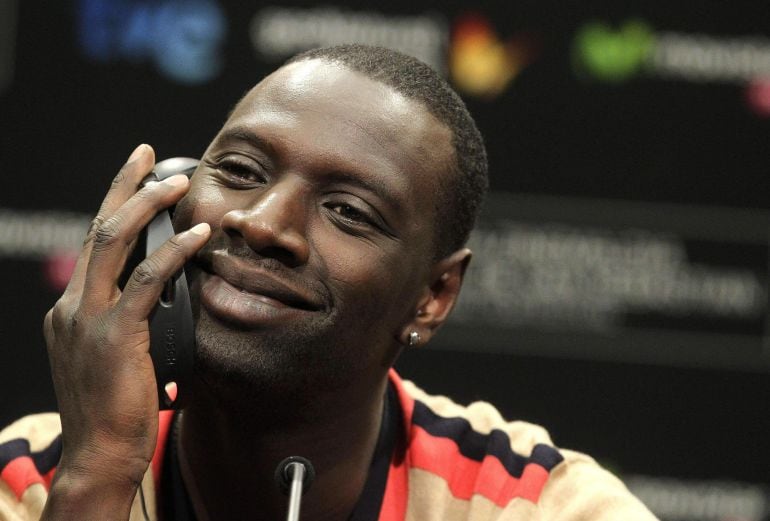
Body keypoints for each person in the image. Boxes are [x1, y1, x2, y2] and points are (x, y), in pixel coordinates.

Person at [0, 45, 657, 520]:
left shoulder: (539, 506)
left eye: (349, 211)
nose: (262, 223)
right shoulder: (29, 479)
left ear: (434, 294)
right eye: (241, 170)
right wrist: (98, 476)